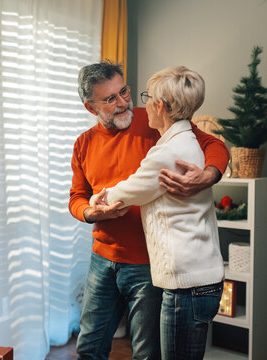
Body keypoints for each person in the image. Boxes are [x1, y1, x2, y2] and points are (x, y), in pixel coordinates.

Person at [69, 61, 228, 360]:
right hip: (102, 259)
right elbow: (77, 196)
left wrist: (209, 175)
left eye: (124, 91)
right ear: (91, 108)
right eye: (110, 99)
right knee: (89, 347)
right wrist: (91, 213)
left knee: (146, 352)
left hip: (147, 263)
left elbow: (212, 144)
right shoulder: (83, 143)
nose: (123, 102)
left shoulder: (157, 119)